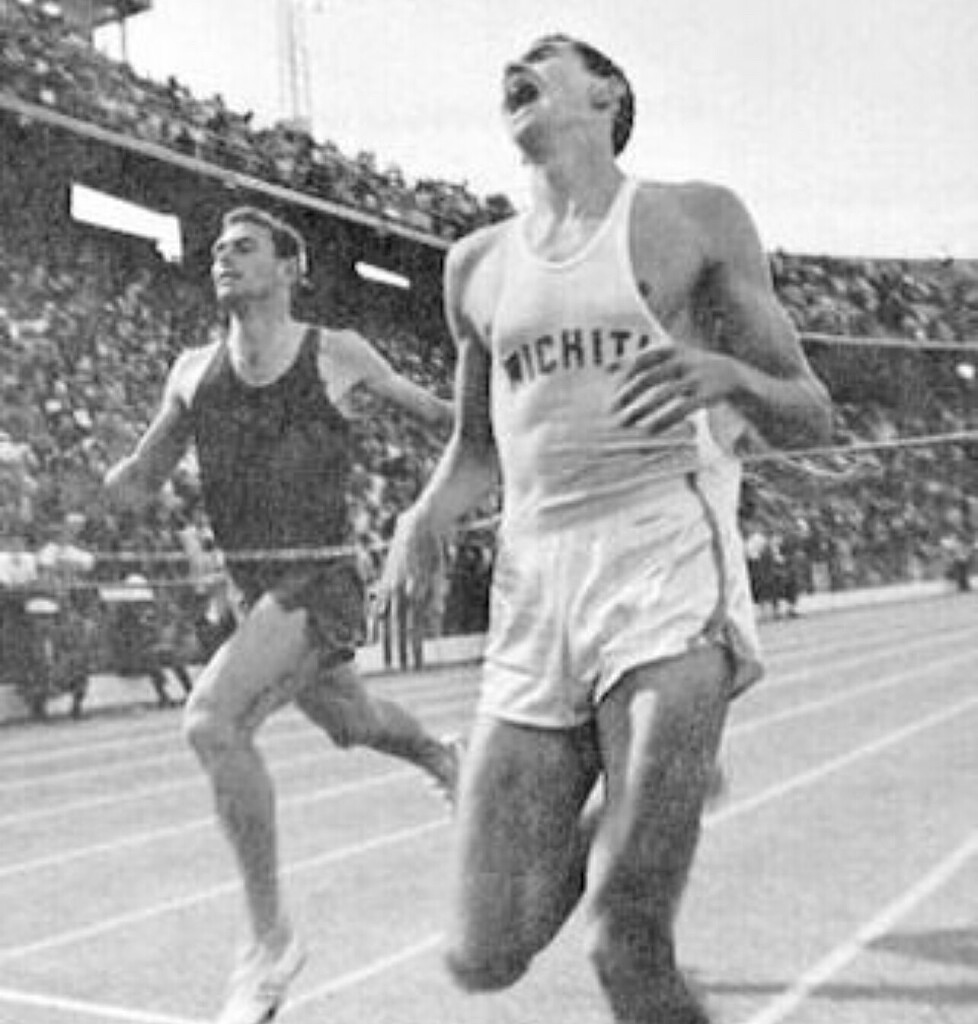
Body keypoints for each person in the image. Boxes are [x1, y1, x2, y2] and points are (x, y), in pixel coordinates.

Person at [380, 35, 833, 1024]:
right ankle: (639, 799)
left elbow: (812, 411)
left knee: (625, 944)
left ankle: (650, 793)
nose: (517, 64)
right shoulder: (475, 265)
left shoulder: (693, 220)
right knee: (480, 954)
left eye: (545, 57)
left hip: (661, 558)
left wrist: (731, 376)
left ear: (606, 94)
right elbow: (475, 448)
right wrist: (422, 515)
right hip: (535, 589)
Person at [105, 206, 458, 1024]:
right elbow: (143, 477)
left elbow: (442, 419)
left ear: (290, 268)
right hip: (253, 591)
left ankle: (269, 942)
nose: (224, 259)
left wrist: (495, 442)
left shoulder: (337, 352)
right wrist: (107, 486)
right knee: (352, 721)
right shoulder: (191, 371)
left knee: (212, 721)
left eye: (245, 248)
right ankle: (443, 756)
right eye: (218, 250)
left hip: (319, 578)